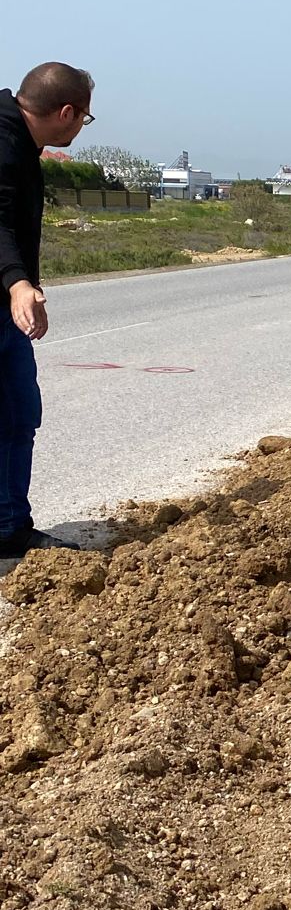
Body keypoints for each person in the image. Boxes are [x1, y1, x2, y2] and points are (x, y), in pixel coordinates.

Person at [0, 62, 96, 558]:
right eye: (85, 118)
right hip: (7, 292)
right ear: (67, 112)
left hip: (7, 305)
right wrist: (17, 282)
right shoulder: (3, 143)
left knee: (18, 414)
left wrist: (24, 287)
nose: (83, 125)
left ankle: (8, 528)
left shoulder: (22, 143)